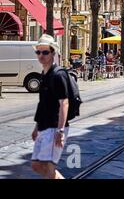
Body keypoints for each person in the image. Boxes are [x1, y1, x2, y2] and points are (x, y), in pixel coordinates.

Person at [31, 35, 69, 179]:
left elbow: (64, 103)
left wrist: (60, 130)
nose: (41, 55)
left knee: (47, 167)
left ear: (53, 53)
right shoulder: (44, 74)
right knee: (37, 165)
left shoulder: (58, 75)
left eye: (45, 52)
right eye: (38, 52)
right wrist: (36, 127)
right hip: (44, 126)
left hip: (54, 127)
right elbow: (43, 104)